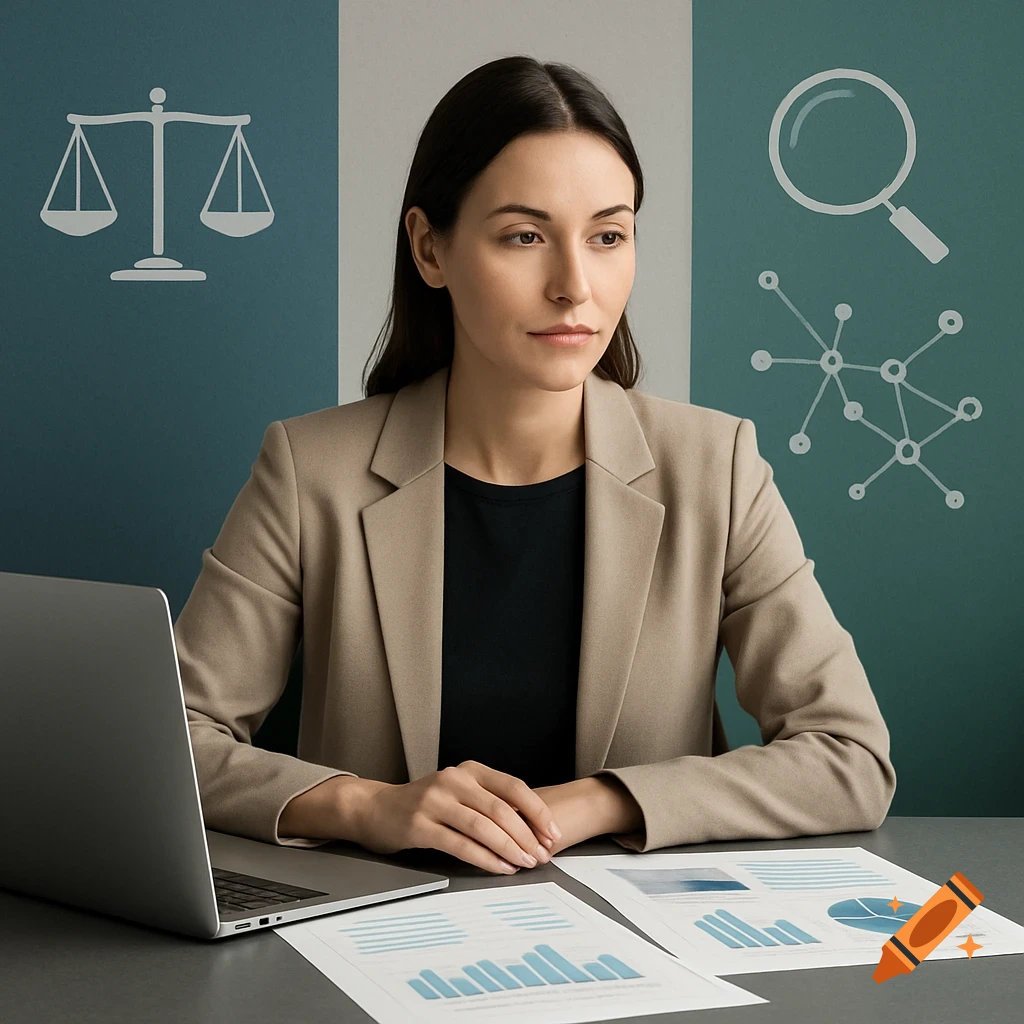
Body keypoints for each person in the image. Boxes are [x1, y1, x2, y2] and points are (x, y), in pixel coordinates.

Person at [174, 55, 896, 880]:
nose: (573, 286)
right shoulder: (311, 471)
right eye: (524, 236)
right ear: (430, 249)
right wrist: (370, 806)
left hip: (640, 959)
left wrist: (597, 799)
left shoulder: (715, 467)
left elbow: (849, 756)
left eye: (608, 236)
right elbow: (171, 743)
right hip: (375, 948)